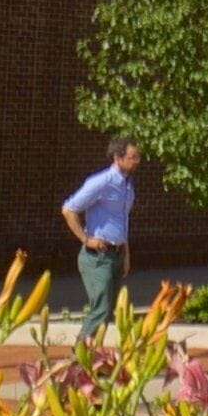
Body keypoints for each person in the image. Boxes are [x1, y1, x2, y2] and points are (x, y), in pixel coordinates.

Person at [62, 139, 142, 340]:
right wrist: (86, 239)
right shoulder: (101, 182)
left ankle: (92, 358)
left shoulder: (127, 186)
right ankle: (78, 357)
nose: (137, 161)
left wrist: (126, 254)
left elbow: (123, 221)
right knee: (101, 308)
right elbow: (69, 209)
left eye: (138, 157)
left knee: (107, 310)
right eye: (132, 157)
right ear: (117, 158)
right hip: (97, 256)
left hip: (117, 254)